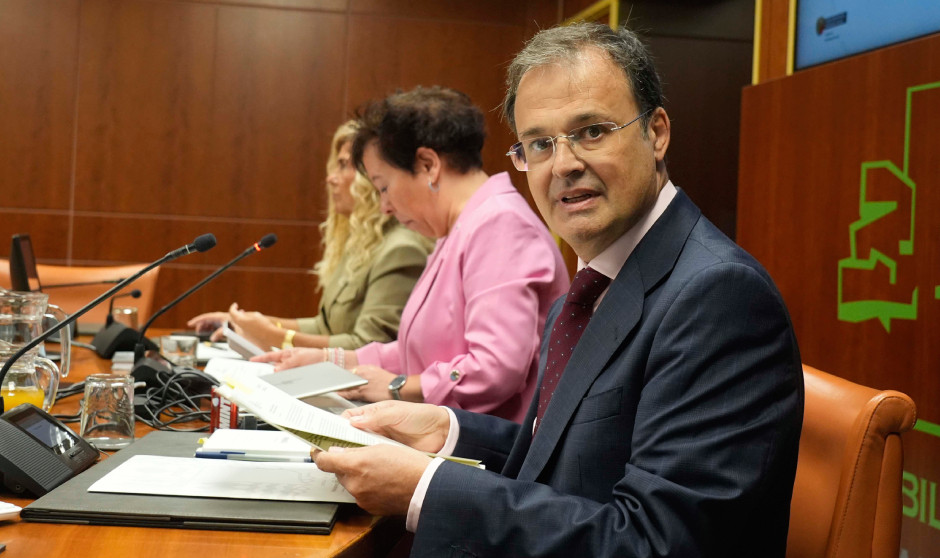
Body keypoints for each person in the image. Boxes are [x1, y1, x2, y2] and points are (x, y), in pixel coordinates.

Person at [310, 23, 805, 558]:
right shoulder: (597, 282)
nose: (564, 164)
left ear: (657, 132)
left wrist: (425, 489)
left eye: (592, 131)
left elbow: (656, 543)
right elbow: (561, 461)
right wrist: (448, 432)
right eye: (540, 144)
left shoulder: (717, 296)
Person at [254, 86, 569, 423]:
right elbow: (418, 352)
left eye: (383, 187)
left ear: (428, 164)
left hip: (490, 454)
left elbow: (495, 369)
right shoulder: (459, 228)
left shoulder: (500, 226)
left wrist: (396, 386)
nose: (384, 207)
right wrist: (332, 360)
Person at [188, 121, 432, 351]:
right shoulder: (363, 243)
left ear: (370, 177)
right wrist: (248, 323)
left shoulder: (400, 250)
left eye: (344, 165)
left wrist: (274, 337)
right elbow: (323, 327)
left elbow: (367, 347)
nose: (331, 178)